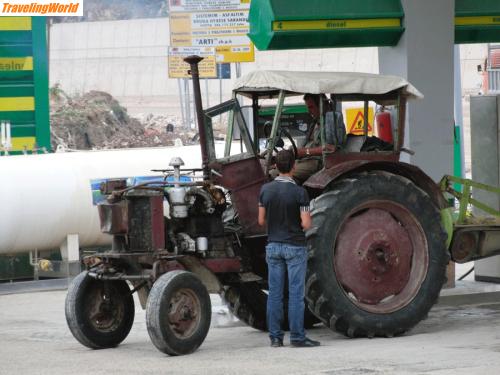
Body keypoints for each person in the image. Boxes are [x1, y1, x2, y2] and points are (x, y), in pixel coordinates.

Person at [258, 149, 321, 348]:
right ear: (294, 167)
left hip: (273, 247)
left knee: (275, 294)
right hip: (295, 247)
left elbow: (261, 221)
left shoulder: (265, 190)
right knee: (295, 295)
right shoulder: (300, 192)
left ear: (275, 166)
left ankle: (275, 338)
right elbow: (306, 224)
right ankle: (297, 337)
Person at [292, 94, 339, 182]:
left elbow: (331, 148)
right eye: (308, 108)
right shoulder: (316, 123)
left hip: (319, 162)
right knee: (274, 169)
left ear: (321, 106)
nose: (309, 111)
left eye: (311, 107)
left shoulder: (331, 123)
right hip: (307, 159)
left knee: (283, 174)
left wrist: (305, 152)